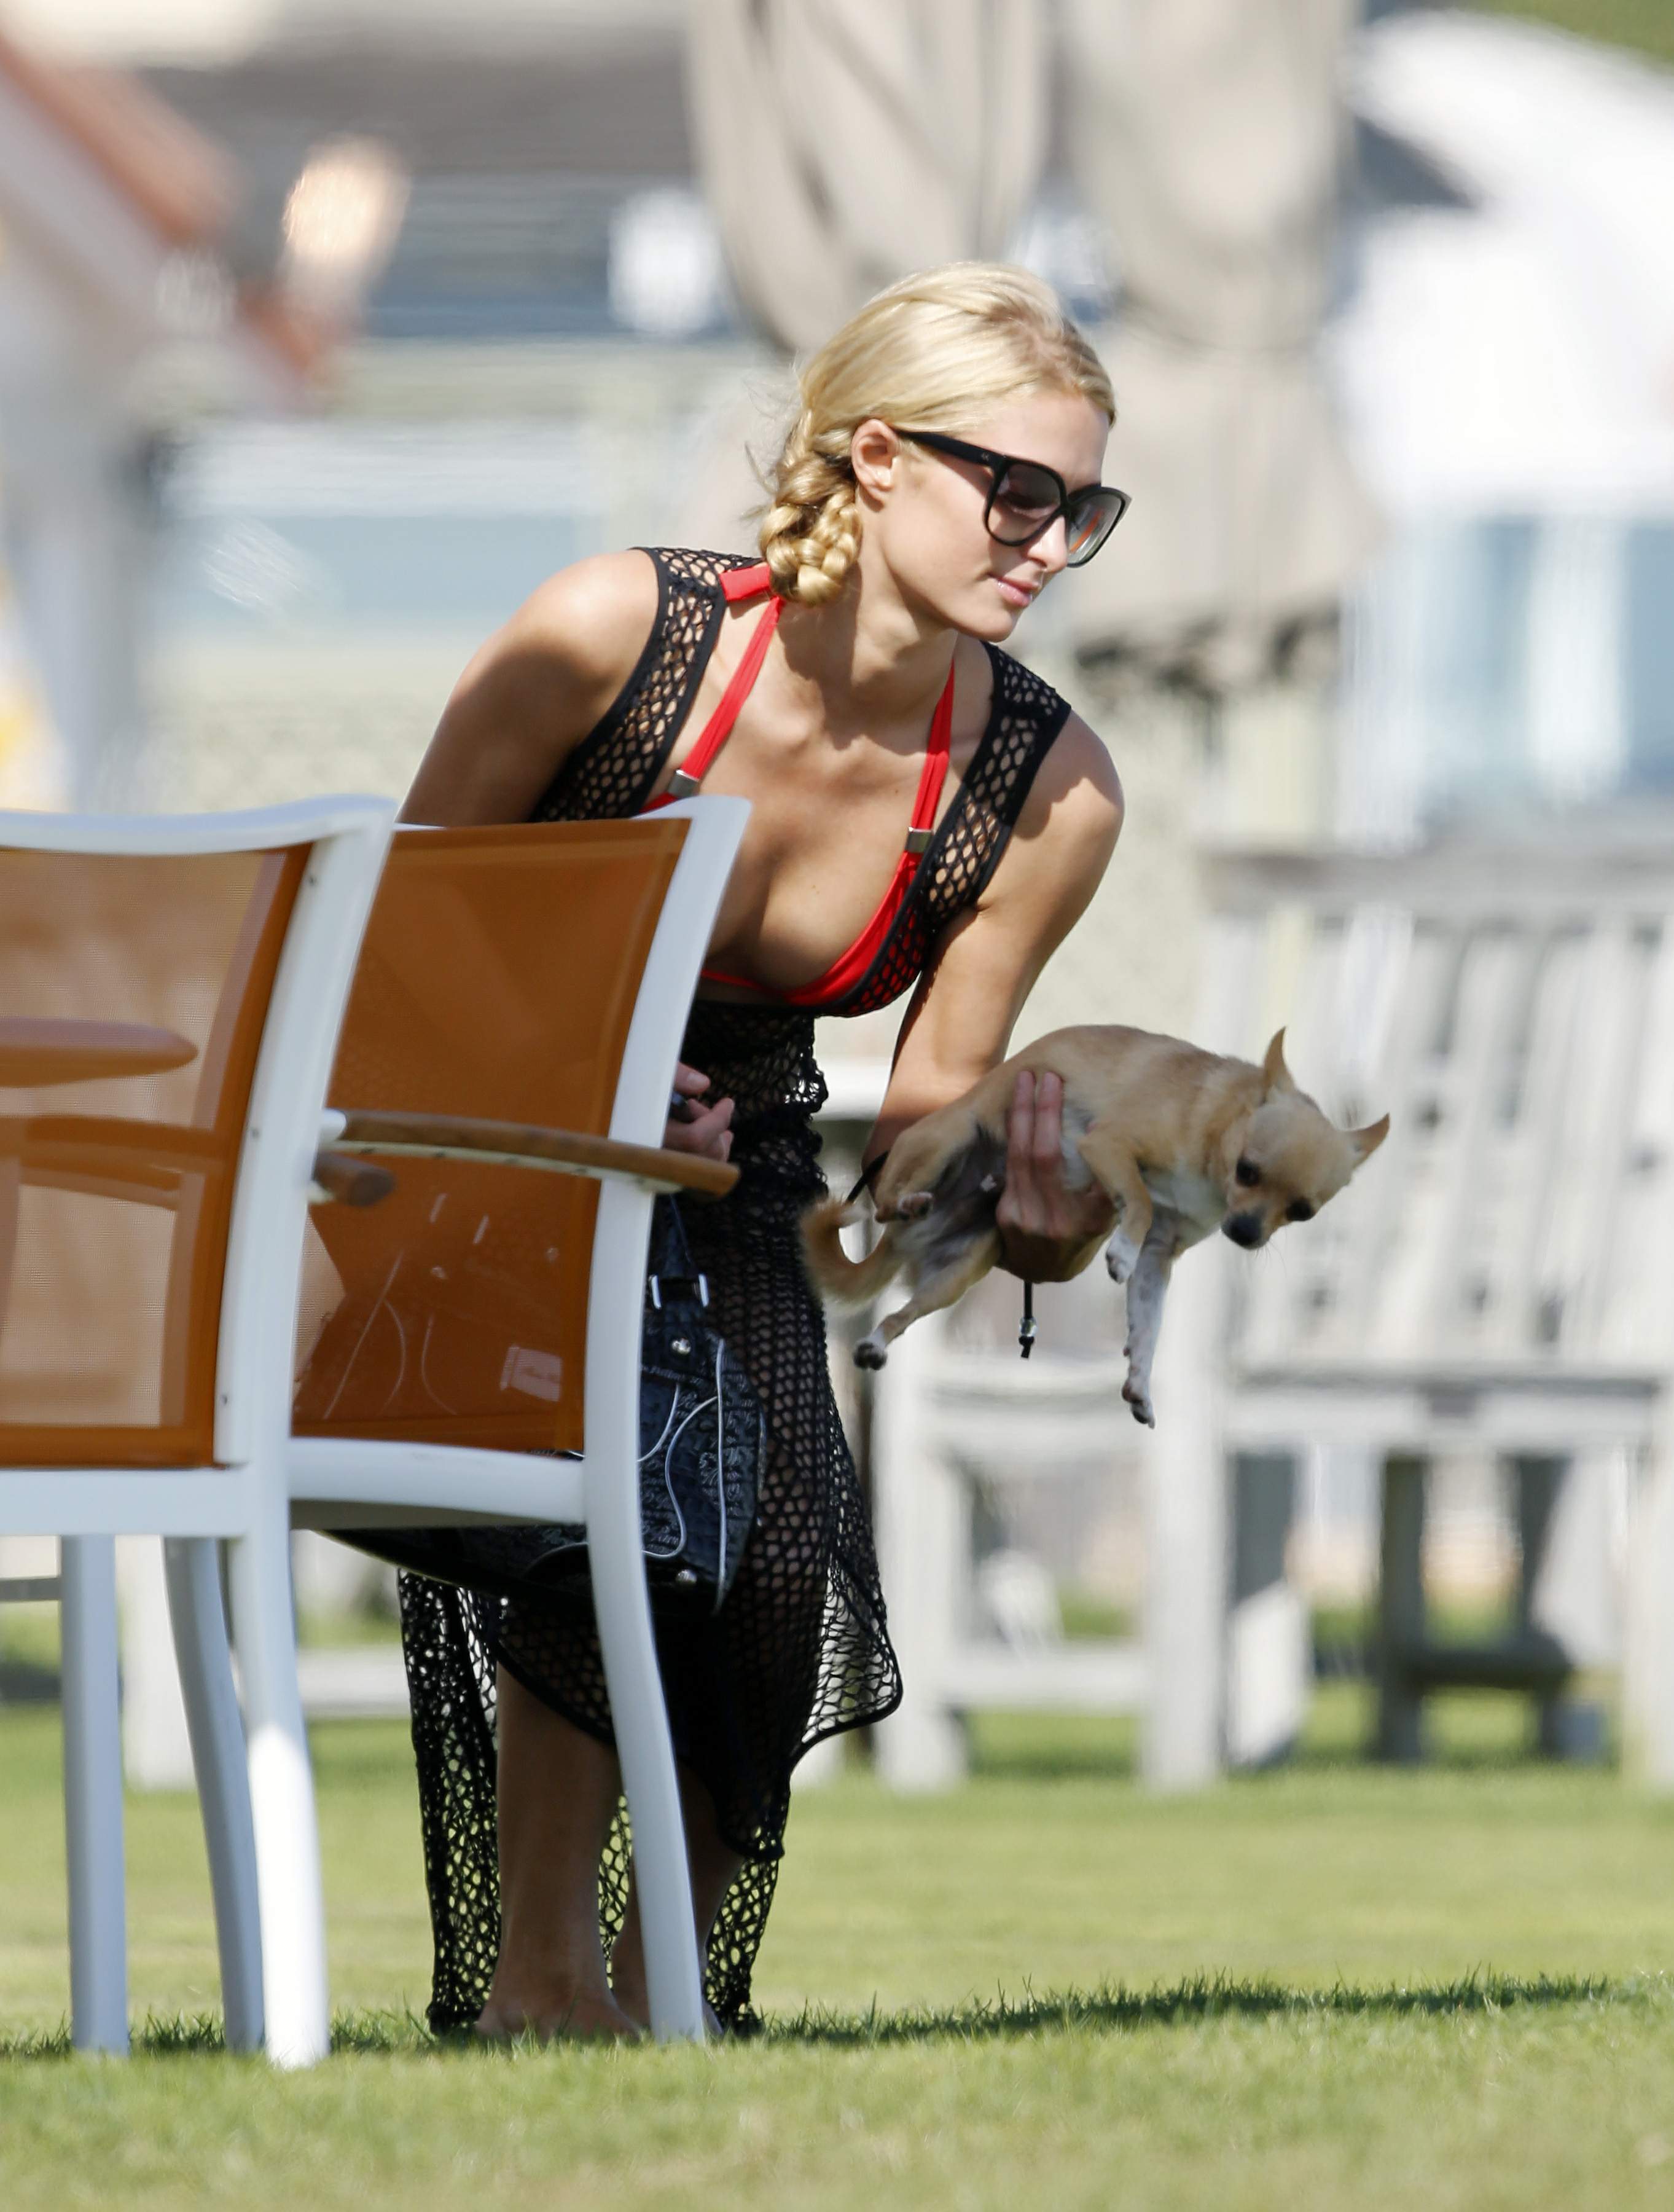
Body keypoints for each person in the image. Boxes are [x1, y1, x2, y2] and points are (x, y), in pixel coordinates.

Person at [394, 262, 1129, 2039]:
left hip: (745, 1179)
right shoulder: (611, 636)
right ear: (875, 459)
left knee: (772, 1530)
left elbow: (930, 1131)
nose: (1048, 541)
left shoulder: (1050, 787)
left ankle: (662, 2007)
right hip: (460, 1150)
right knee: (668, 1439)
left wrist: (1046, 1212)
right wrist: (569, 1088)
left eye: (1083, 507)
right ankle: (550, 1987)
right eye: (1014, 491)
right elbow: (391, 936)